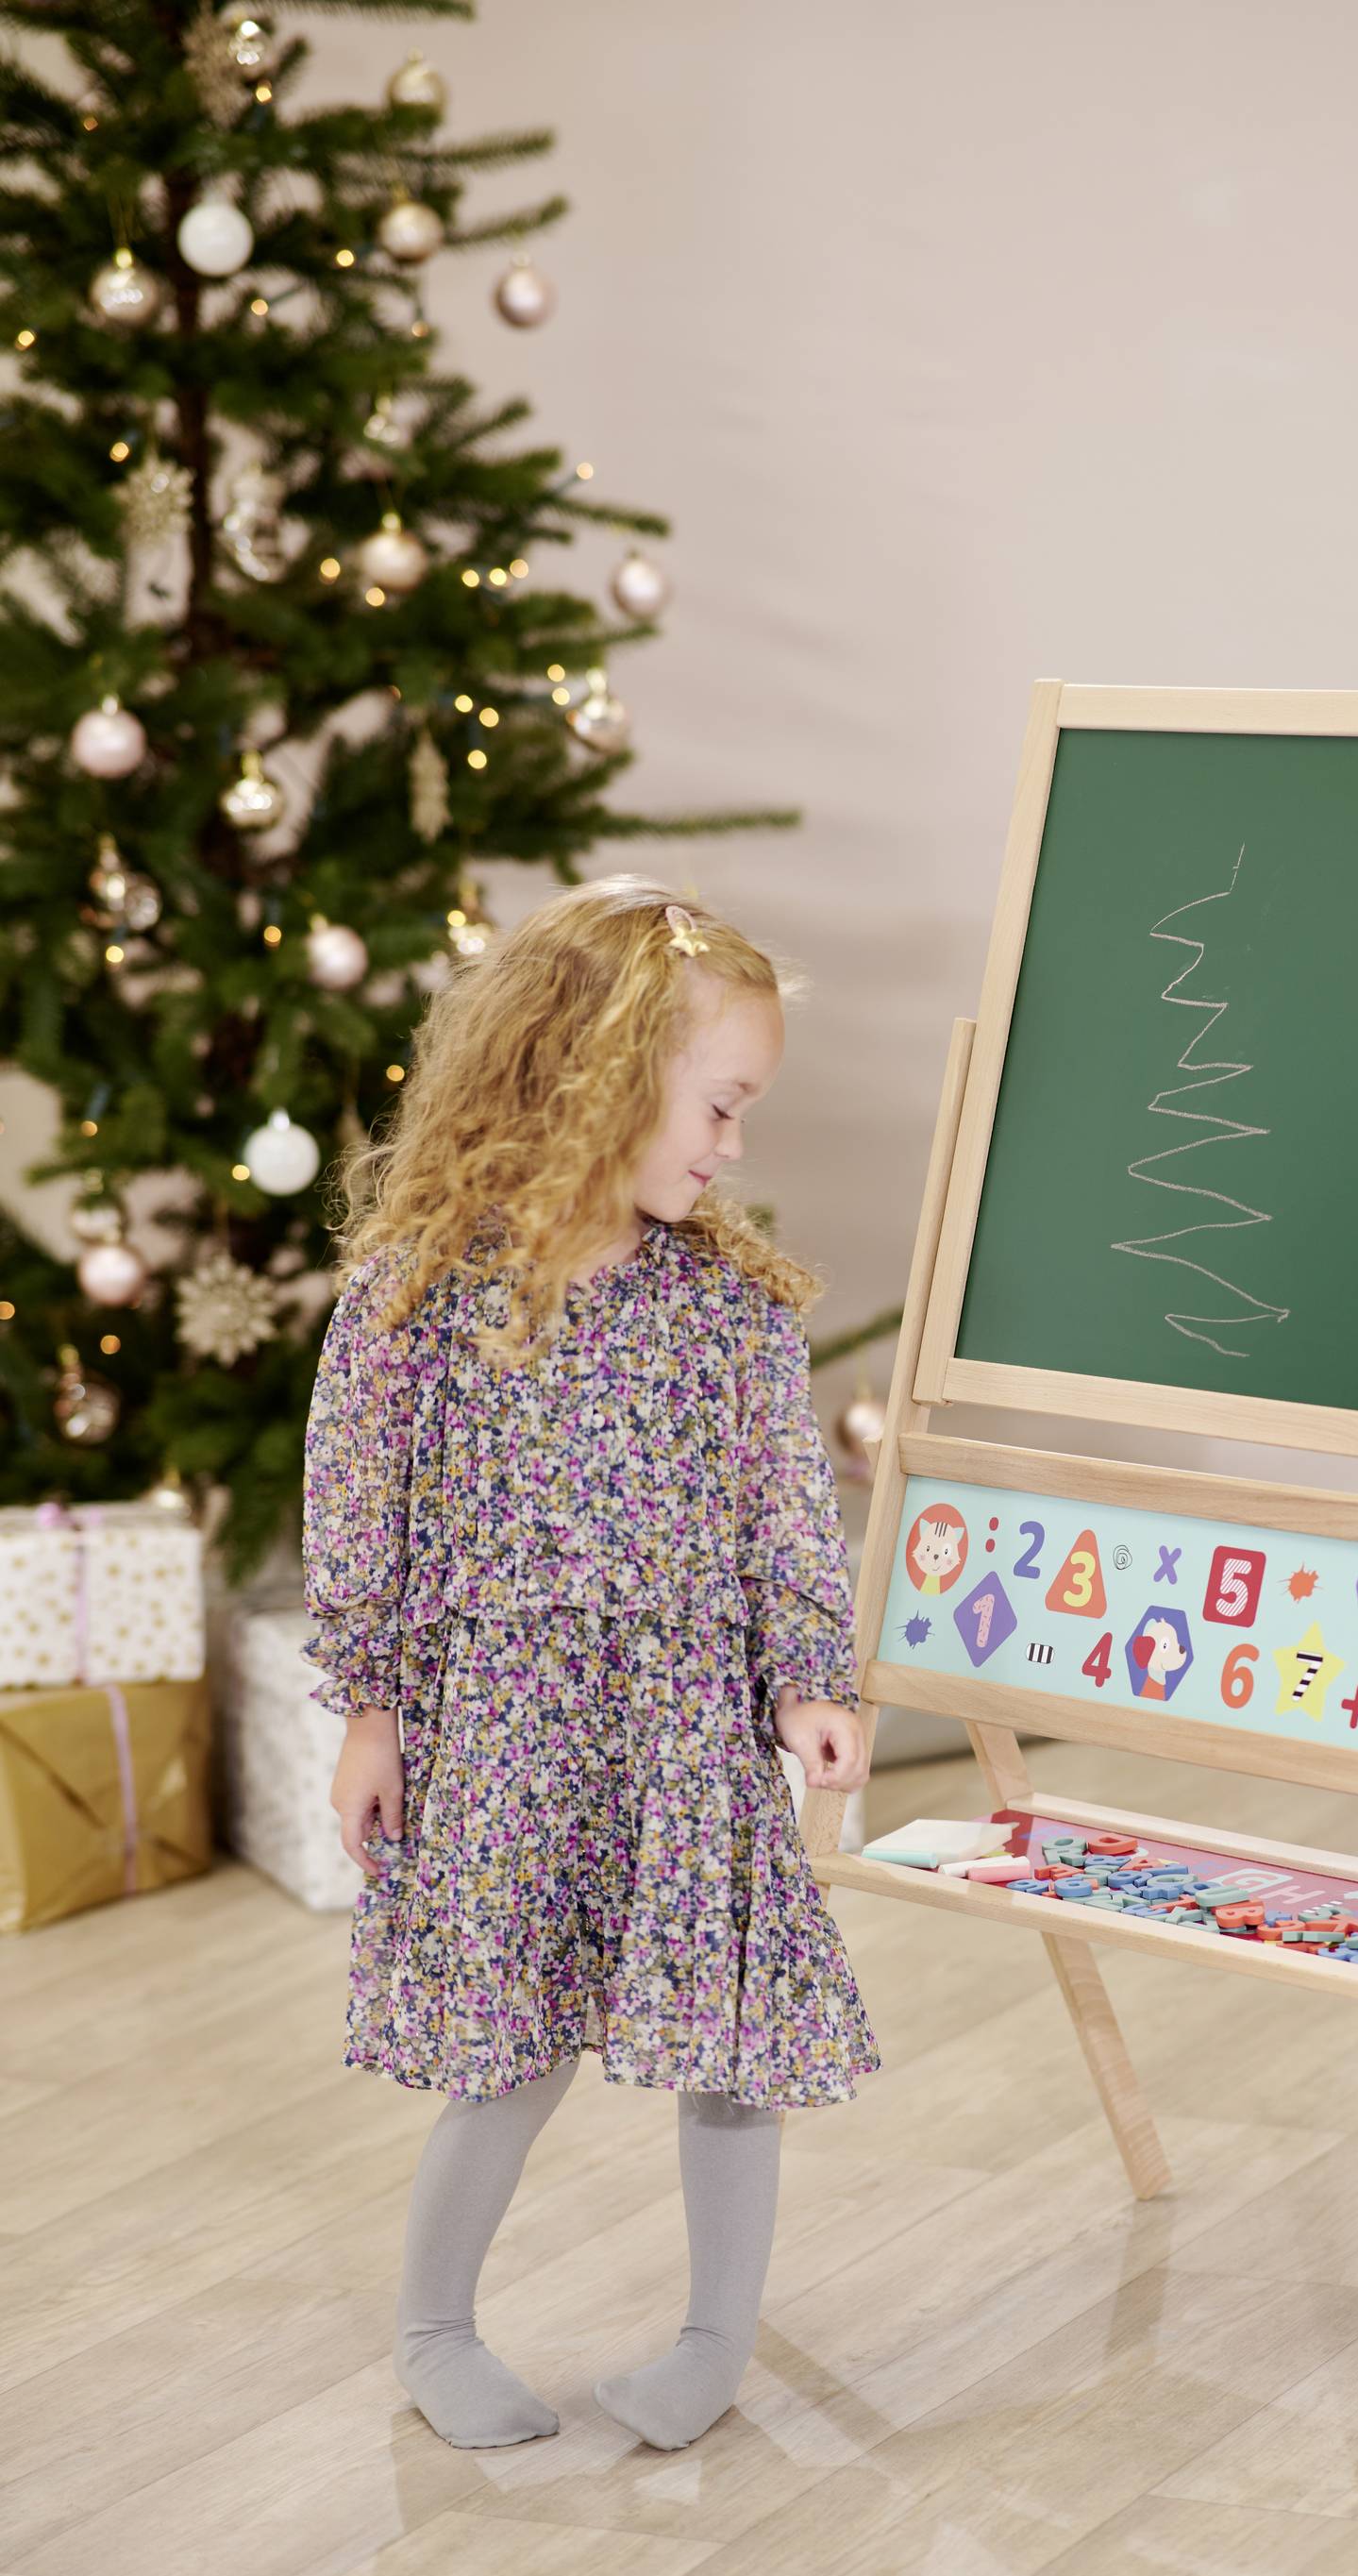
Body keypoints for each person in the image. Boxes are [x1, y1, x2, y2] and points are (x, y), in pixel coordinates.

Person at [300, 874, 877, 2454]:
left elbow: (780, 1507)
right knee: (512, 2043)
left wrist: (810, 1681)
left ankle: (710, 2343)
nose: (733, 1145)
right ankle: (434, 2326)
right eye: (720, 1104)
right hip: (505, 1733)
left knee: (729, 2043)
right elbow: (364, 1513)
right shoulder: (418, 1297)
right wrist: (373, 1713)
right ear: (606, 1075)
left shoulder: (729, 1307)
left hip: (686, 1723)